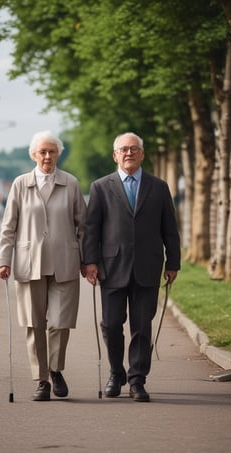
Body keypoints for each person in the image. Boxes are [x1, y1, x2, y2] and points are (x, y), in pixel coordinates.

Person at [83, 132, 180, 402]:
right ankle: (116, 373)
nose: (129, 153)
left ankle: (138, 380)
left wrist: (173, 262)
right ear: (115, 155)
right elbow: (91, 229)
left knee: (141, 326)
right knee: (111, 324)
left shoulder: (158, 187)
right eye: (123, 149)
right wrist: (89, 261)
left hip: (148, 267)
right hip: (111, 268)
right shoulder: (101, 187)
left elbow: (170, 229)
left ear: (142, 154)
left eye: (134, 149)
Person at [0, 130, 87, 401]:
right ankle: (42, 380)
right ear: (33, 155)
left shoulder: (70, 183)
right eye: (42, 152)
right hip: (29, 263)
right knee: (34, 324)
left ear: (58, 154)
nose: (47, 156)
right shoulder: (20, 184)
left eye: (52, 152)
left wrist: (87, 260)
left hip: (65, 262)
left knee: (60, 322)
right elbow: (8, 226)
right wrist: (4, 259)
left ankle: (56, 370)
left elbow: (83, 226)